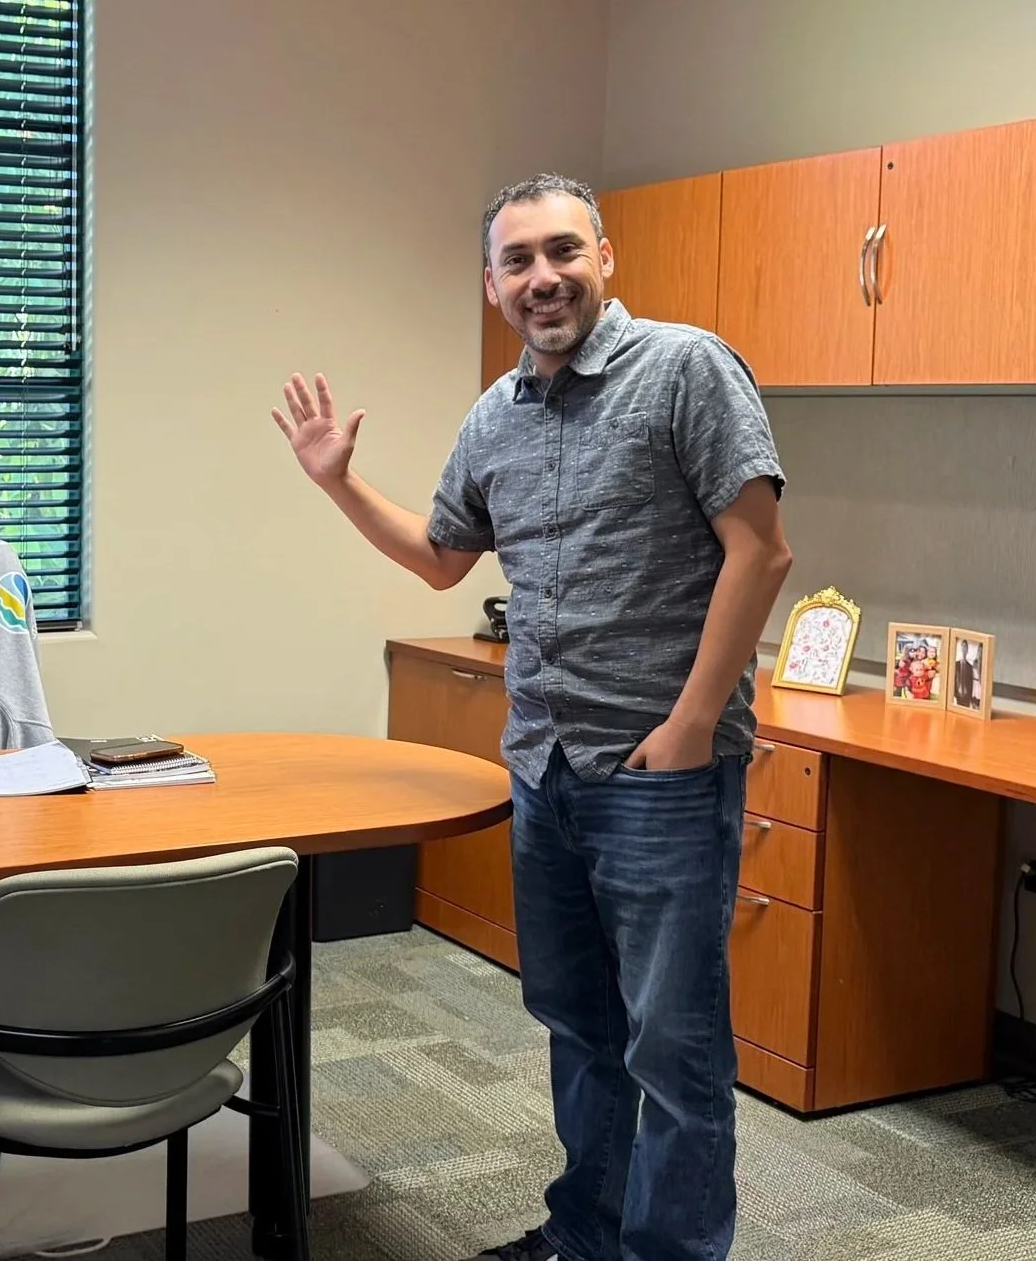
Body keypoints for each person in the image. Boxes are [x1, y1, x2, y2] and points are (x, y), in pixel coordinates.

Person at [273, 174, 791, 1261]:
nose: (542, 277)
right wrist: (337, 482)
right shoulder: (494, 415)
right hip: (545, 769)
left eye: (562, 250)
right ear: (491, 284)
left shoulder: (685, 368)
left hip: (657, 770)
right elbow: (441, 558)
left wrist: (692, 725)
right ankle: (584, 1234)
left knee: (674, 1048)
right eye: (517, 261)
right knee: (578, 1027)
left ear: (604, 258)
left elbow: (759, 551)